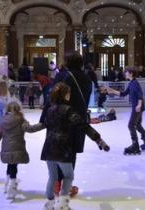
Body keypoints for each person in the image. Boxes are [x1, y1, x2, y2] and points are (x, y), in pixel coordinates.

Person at [37, 82, 109, 210]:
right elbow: (83, 125)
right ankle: (63, 203)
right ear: (65, 95)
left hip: (49, 147)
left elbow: (44, 124)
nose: (70, 95)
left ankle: (49, 203)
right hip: (63, 148)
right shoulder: (68, 110)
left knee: (52, 176)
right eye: (69, 93)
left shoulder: (50, 109)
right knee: (69, 176)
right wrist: (98, 139)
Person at [44, 53, 95, 197]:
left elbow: (52, 97)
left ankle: (57, 183)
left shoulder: (63, 76)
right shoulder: (86, 78)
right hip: (78, 118)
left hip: (60, 118)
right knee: (71, 152)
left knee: (57, 150)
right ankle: (66, 185)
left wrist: (45, 118)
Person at [0, 101, 43, 199]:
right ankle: (11, 186)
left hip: (6, 149)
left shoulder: (2, 120)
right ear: (18, 109)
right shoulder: (21, 120)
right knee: (14, 167)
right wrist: (43, 125)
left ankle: (7, 183)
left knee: (10, 165)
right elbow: (30, 129)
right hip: (17, 148)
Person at [106, 67, 145, 154]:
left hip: (137, 107)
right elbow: (124, 94)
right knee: (138, 125)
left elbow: (140, 94)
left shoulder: (135, 83)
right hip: (138, 107)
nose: (125, 74)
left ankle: (135, 146)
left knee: (131, 125)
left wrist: (139, 104)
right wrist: (113, 91)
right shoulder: (131, 83)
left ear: (131, 73)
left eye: (126, 72)